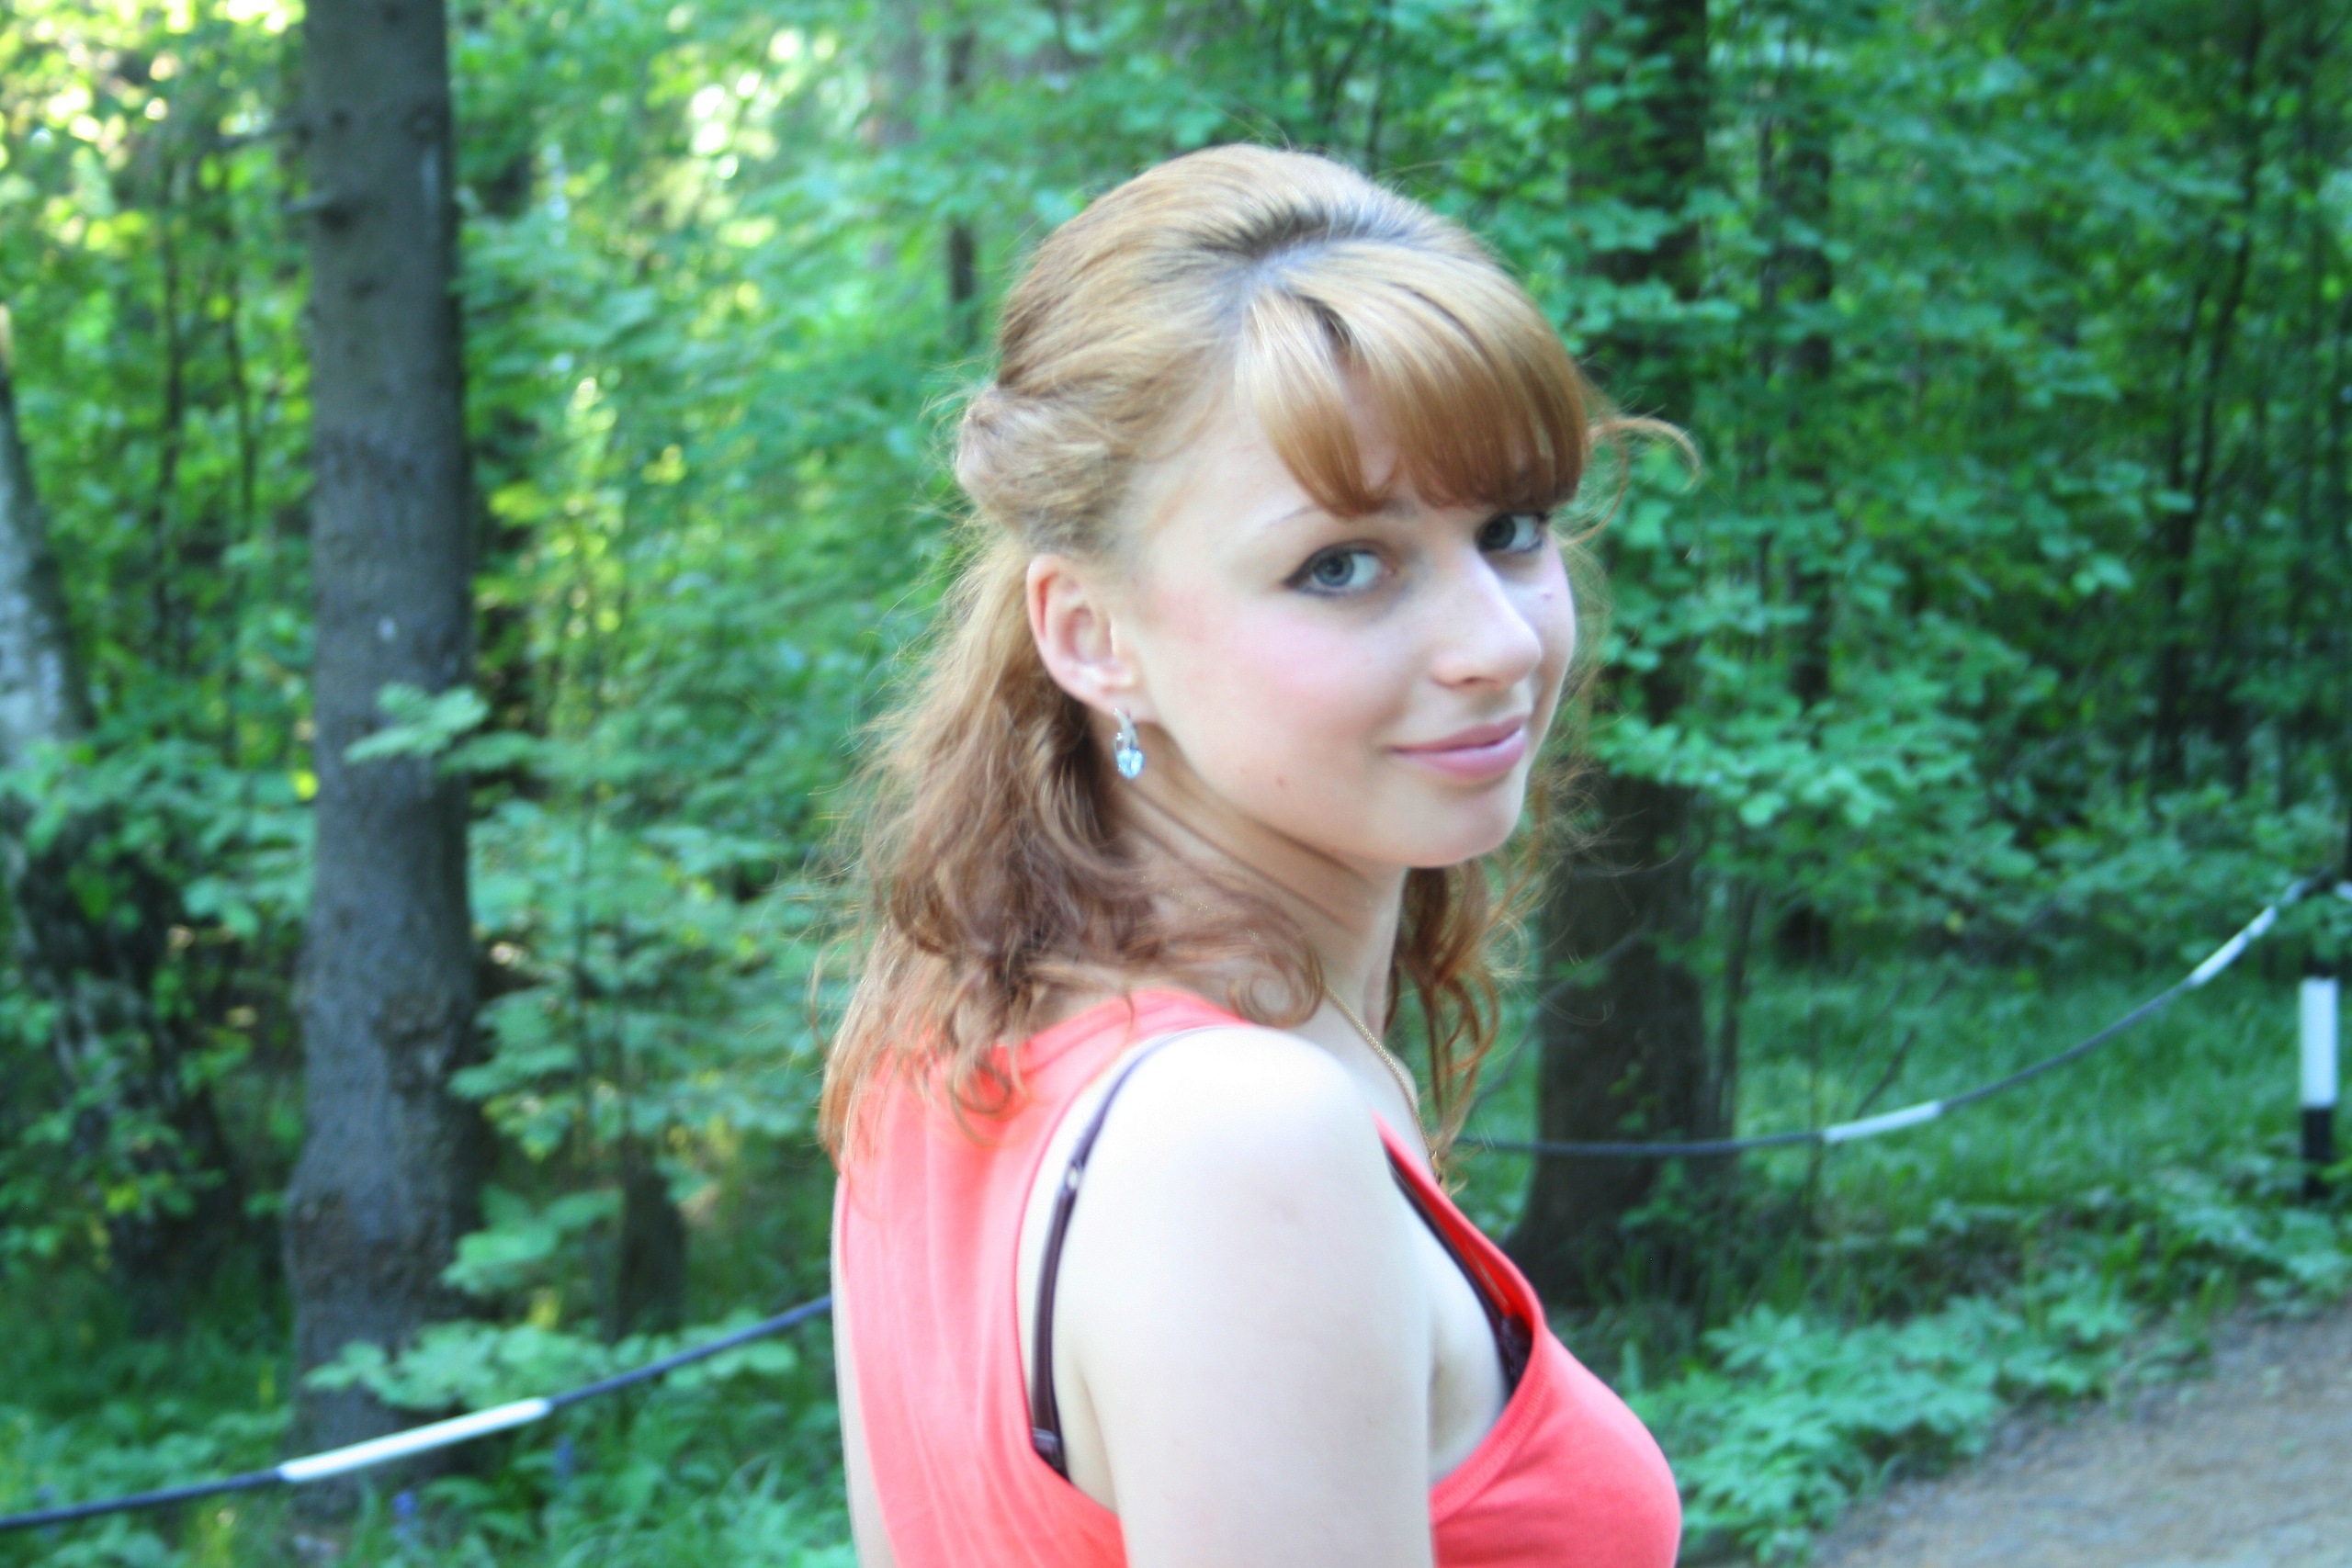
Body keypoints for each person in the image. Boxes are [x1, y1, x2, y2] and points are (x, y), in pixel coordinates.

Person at [822, 143, 1682, 1568]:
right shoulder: (1238, 1139)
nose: (1499, 643)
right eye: (1340, 565)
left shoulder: (951, 1042)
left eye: (1511, 530)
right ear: (1092, 634)